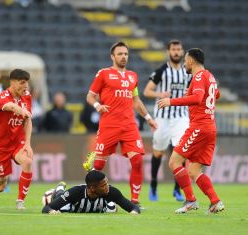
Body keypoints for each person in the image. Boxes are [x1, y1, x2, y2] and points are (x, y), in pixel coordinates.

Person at [83, 41, 157, 206]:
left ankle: (135, 201)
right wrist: (97, 106)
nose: (123, 57)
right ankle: (90, 196)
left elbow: (136, 101)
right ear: (112, 56)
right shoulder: (103, 74)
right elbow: (90, 96)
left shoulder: (133, 76)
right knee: (99, 167)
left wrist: (149, 118)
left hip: (129, 125)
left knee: (137, 160)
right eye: (120, 54)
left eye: (125, 54)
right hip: (109, 124)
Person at [157, 48, 224, 214]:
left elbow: (197, 98)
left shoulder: (200, 76)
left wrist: (171, 101)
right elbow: (217, 94)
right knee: (194, 170)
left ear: (191, 61)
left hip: (199, 127)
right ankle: (215, 201)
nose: (184, 63)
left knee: (174, 161)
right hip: (210, 128)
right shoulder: (210, 76)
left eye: (186, 60)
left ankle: (191, 200)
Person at [143, 39, 191, 202]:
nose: (176, 52)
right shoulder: (161, 71)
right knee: (158, 152)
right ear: (168, 52)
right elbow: (147, 91)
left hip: (181, 117)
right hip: (162, 117)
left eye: (179, 49)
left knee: (181, 153)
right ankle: (154, 185)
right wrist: (160, 94)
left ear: (183, 52)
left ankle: (178, 189)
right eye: (173, 49)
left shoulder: (187, 71)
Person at [0, 69, 33, 210]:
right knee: (0, 185)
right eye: (22, 83)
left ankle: (20, 201)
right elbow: (10, 106)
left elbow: (28, 121)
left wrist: (28, 144)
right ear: (13, 82)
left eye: (26, 83)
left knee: (27, 161)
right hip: (0, 146)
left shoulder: (27, 96)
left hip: (18, 142)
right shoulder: (2, 97)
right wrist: (20, 110)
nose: (26, 86)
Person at [42, 170, 140, 214]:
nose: (107, 187)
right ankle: (60, 187)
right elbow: (47, 208)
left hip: (101, 207)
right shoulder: (75, 192)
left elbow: (133, 207)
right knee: (63, 207)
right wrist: (51, 211)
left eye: (107, 183)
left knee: (112, 209)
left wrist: (134, 212)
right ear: (92, 188)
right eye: (103, 185)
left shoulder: (112, 192)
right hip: (70, 206)